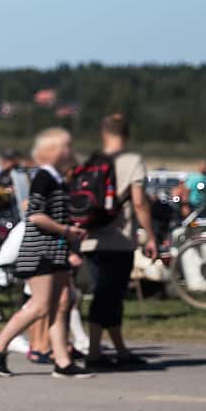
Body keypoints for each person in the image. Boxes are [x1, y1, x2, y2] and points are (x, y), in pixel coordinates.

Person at [0, 128, 91, 379]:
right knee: (41, 306)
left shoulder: (56, 178)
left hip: (55, 251)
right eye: (66, 146)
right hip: (40, 251)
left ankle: (62, 362)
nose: (70, 151)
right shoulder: (44, 177)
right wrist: (66, 230)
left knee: (59, 304)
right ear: (54, 150)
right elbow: (35, 215)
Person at [79, 114, 157, 368]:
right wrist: (151, 235)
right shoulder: (133, 161)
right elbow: (138, 201)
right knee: (107, 297)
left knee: (107, 296)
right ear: (126, 135)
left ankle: (121, 351)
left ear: (104, 134)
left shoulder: (91, 160)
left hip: (90, 240)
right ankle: (94, 354)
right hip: (119, 240)